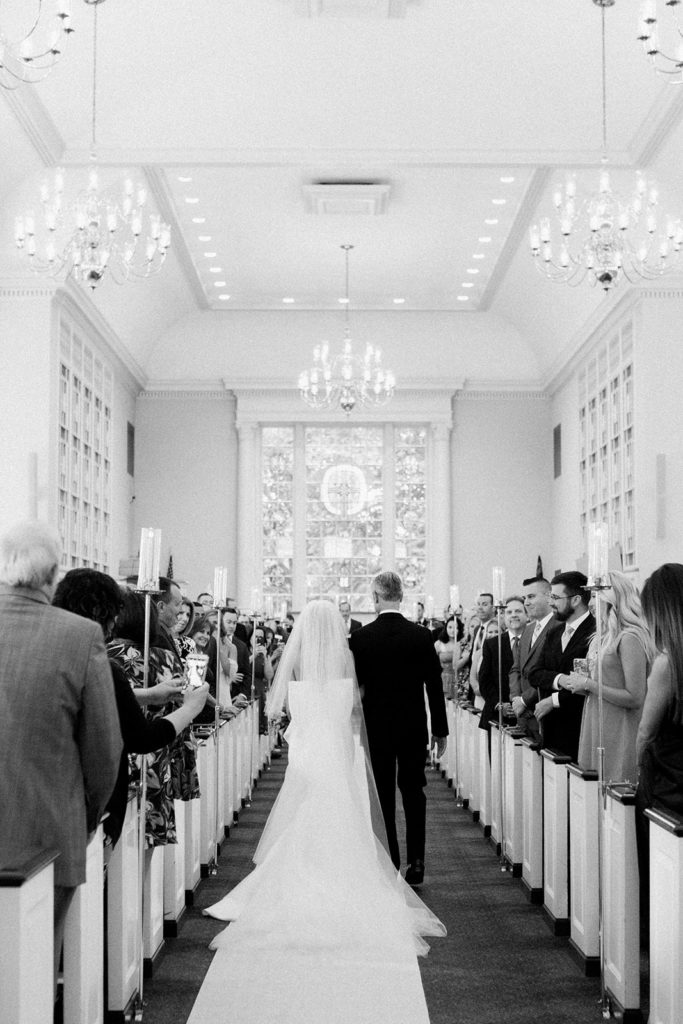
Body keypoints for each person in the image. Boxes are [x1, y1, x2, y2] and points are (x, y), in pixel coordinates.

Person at [191, 599, 445, 1024]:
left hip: (308, 748)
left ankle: (300, 872)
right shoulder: (348, 659)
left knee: (305, 810)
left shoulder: (295, 663)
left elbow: (283, 705)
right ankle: (345, 873)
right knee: (341, 810)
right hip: (337, 745)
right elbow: (357, 705)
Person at [0, 521, 121, 992]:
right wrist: (87, 814)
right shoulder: (80, 635)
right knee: (32, 973)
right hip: (49, 828)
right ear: (52, 575)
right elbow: (104, 748)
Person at [52, 568, 209, 846]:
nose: (113, 627)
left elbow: (96, 700)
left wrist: (148, 695)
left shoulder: (51, 655)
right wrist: (190, 709)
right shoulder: (102, 665)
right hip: (92, 796)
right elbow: (140, 737)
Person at [349, 571, 448, 885]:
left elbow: (356, 688)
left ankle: (389, 860)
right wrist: (440, 730)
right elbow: (434, 685)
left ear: (376, 598)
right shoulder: (420, 636)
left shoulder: (361, 638)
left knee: (381, 794)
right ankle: (416, 863)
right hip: (412, 727)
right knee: (414, 791)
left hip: (375, 728)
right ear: (401, 597)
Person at [563, 571, 654, 784]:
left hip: (619, 727)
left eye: (596, 596)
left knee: (614, 796)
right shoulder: (600, 637)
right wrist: (583, 684)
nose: (591, 603)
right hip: (596, 720)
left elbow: (635, 697)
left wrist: (590, 684)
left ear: (611, 597)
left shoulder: (629, 637)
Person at [530, 571, 595, 762]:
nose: (551, 603)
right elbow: (535, 673)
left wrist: (554, 700)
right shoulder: (555, 632)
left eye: (556, 597)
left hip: (578, 727)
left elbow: (589, 684)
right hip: (551, 730)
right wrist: (561, 680)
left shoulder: (595, 631)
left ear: (576, 600)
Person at [510, 576, 556, 743]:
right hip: (522, 714)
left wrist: (525, 700)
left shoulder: (558, 626)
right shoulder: (528, 630)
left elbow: (551, 671)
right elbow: (516, 668)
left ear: (549, 597)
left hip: (542, 710)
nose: (526, 603)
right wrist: (515, 699)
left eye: (531, 596)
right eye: (525, 598)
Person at [478, 596, 528, 734]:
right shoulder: (492, 644)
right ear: (503, 617)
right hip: (498, 715)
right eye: (509, 612)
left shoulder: (535, 641)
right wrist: (500, 705)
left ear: (527, 615)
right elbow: (485, 680)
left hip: (528, 715)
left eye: (518, 611)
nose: (513, 615)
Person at [434, 614, 459, 699]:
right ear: (446, 628)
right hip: (443, 679)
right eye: (450, 627)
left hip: (459, 680)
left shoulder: (462, 643)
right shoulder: (439, 644)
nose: (452, 630)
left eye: (455, 627)